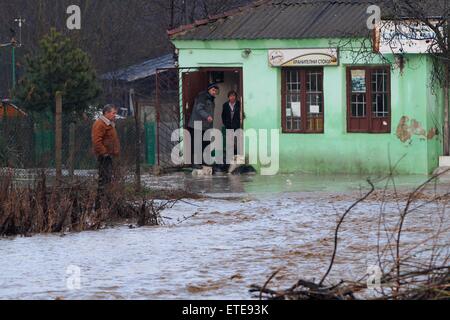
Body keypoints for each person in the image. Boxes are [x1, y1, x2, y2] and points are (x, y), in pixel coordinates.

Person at [92, 104, 121, 204]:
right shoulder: (100, 124)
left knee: (108, 181)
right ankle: (99, 205)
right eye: (113, 113)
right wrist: (104, 153)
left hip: (110, 156)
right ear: (106, 113)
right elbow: (97, 141)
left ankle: (106, 204)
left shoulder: (109, 124)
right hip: (104, 157)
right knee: (104, 181)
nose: (115, 115)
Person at [188, 83, 219, 168]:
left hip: (205, 126)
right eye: (213, 90)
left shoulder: (211, 99)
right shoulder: (202, 97)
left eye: (215, 91)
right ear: (209, 89)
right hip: (197, 124)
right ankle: (195, 163)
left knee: (204, 144)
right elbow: (199, 109)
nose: (214, 92)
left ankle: (202, 161)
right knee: (197, 144)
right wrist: (207, 116)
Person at [222, 91, 243, 170]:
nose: (232, 97)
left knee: (238, 143)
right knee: (230, 144)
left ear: (236, 97)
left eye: (234, 96)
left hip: (237, 126)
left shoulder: (239, 104)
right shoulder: (225, 105)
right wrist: (225, 124)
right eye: (230, 96)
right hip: (229, 127)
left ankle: (238, 161)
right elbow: (223, 115)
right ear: (228, 97)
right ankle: (230, 161)